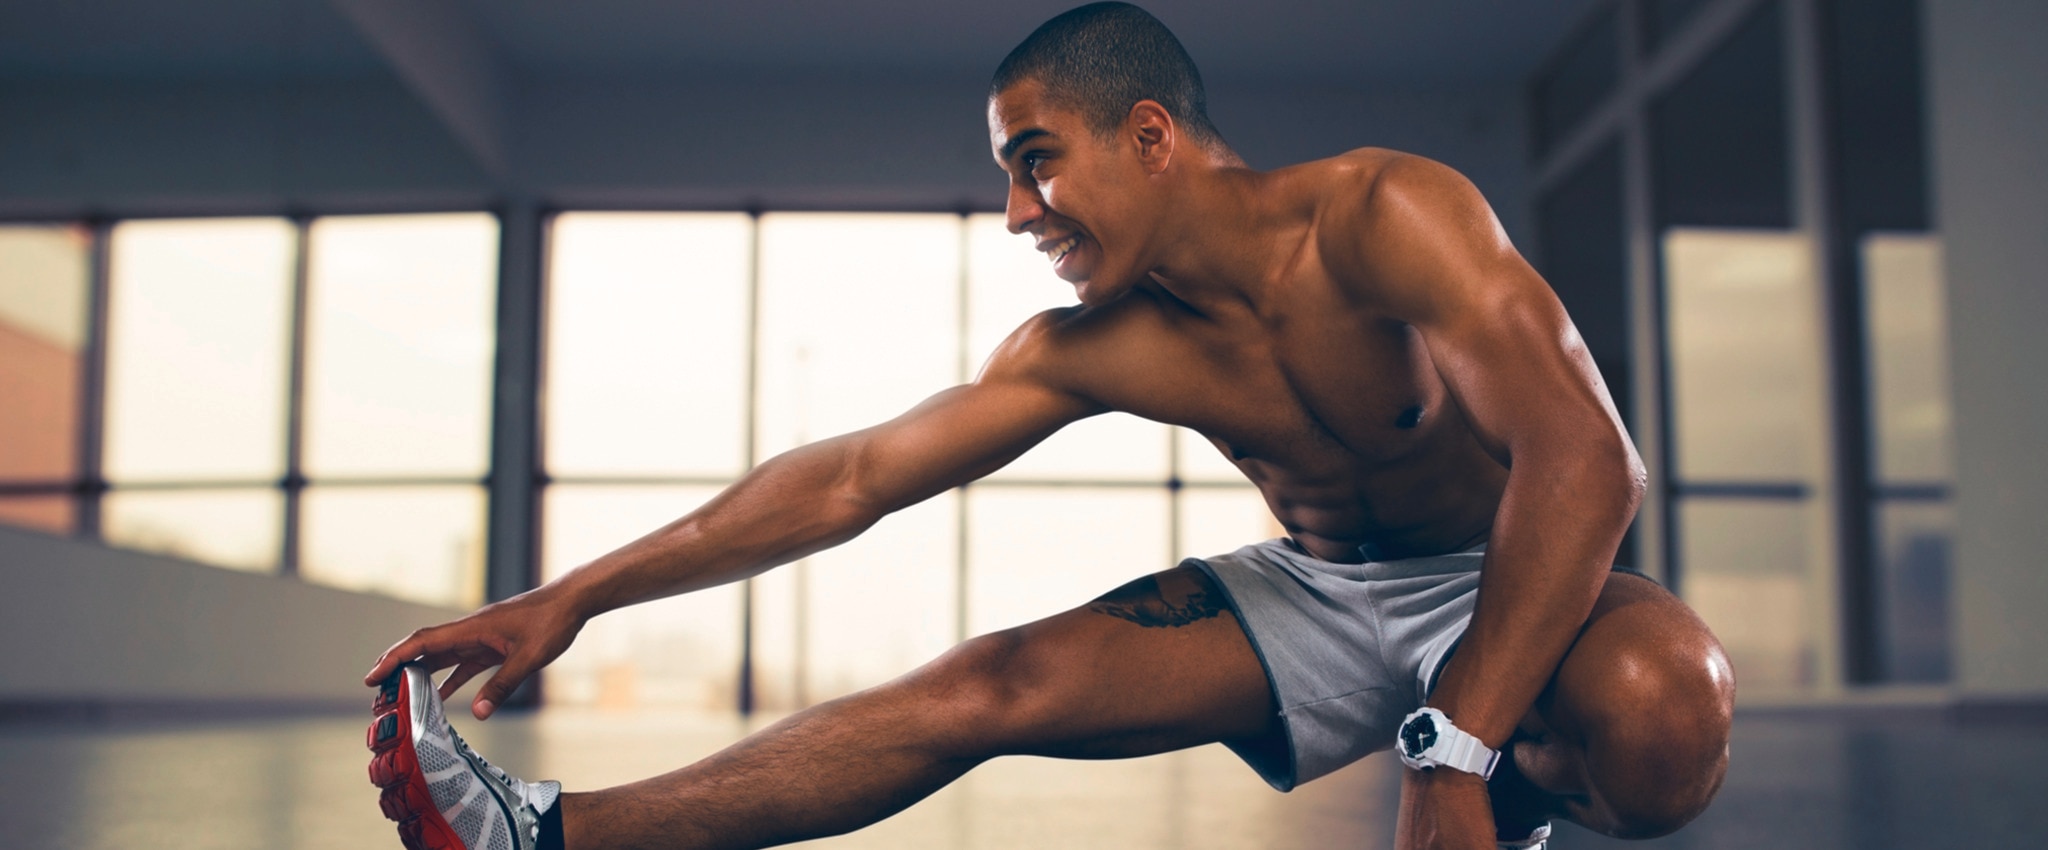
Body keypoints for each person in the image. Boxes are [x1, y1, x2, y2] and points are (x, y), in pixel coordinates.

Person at [363, 4, 1735, 849]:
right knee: (987, 682)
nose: (1020, 213)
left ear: (1148, 134)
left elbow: (1587, 460)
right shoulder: (1092, 345)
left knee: (1664, 720)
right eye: (1008, 179)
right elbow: (848, 480)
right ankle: (543, 836)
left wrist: (1457, 749)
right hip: (1320, 591)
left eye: (1036, 160)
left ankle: (1512, 776)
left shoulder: (1383, 216)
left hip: (1498, 572)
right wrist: (575, 595)